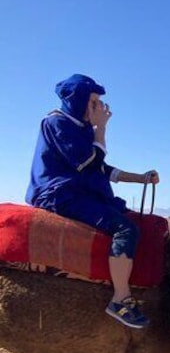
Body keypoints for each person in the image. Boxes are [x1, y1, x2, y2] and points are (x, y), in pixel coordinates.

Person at [26, 74, 160, 328]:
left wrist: (139, 178)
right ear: (79, 101)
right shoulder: (57, 123)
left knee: (133, 220)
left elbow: (100, 167)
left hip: (79, 190)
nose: (101, 108)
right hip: (59, 193)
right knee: (124, 228)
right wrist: (102, 129)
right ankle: (120, 299)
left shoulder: (79, 128)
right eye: (95, 102)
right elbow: (87, 162)